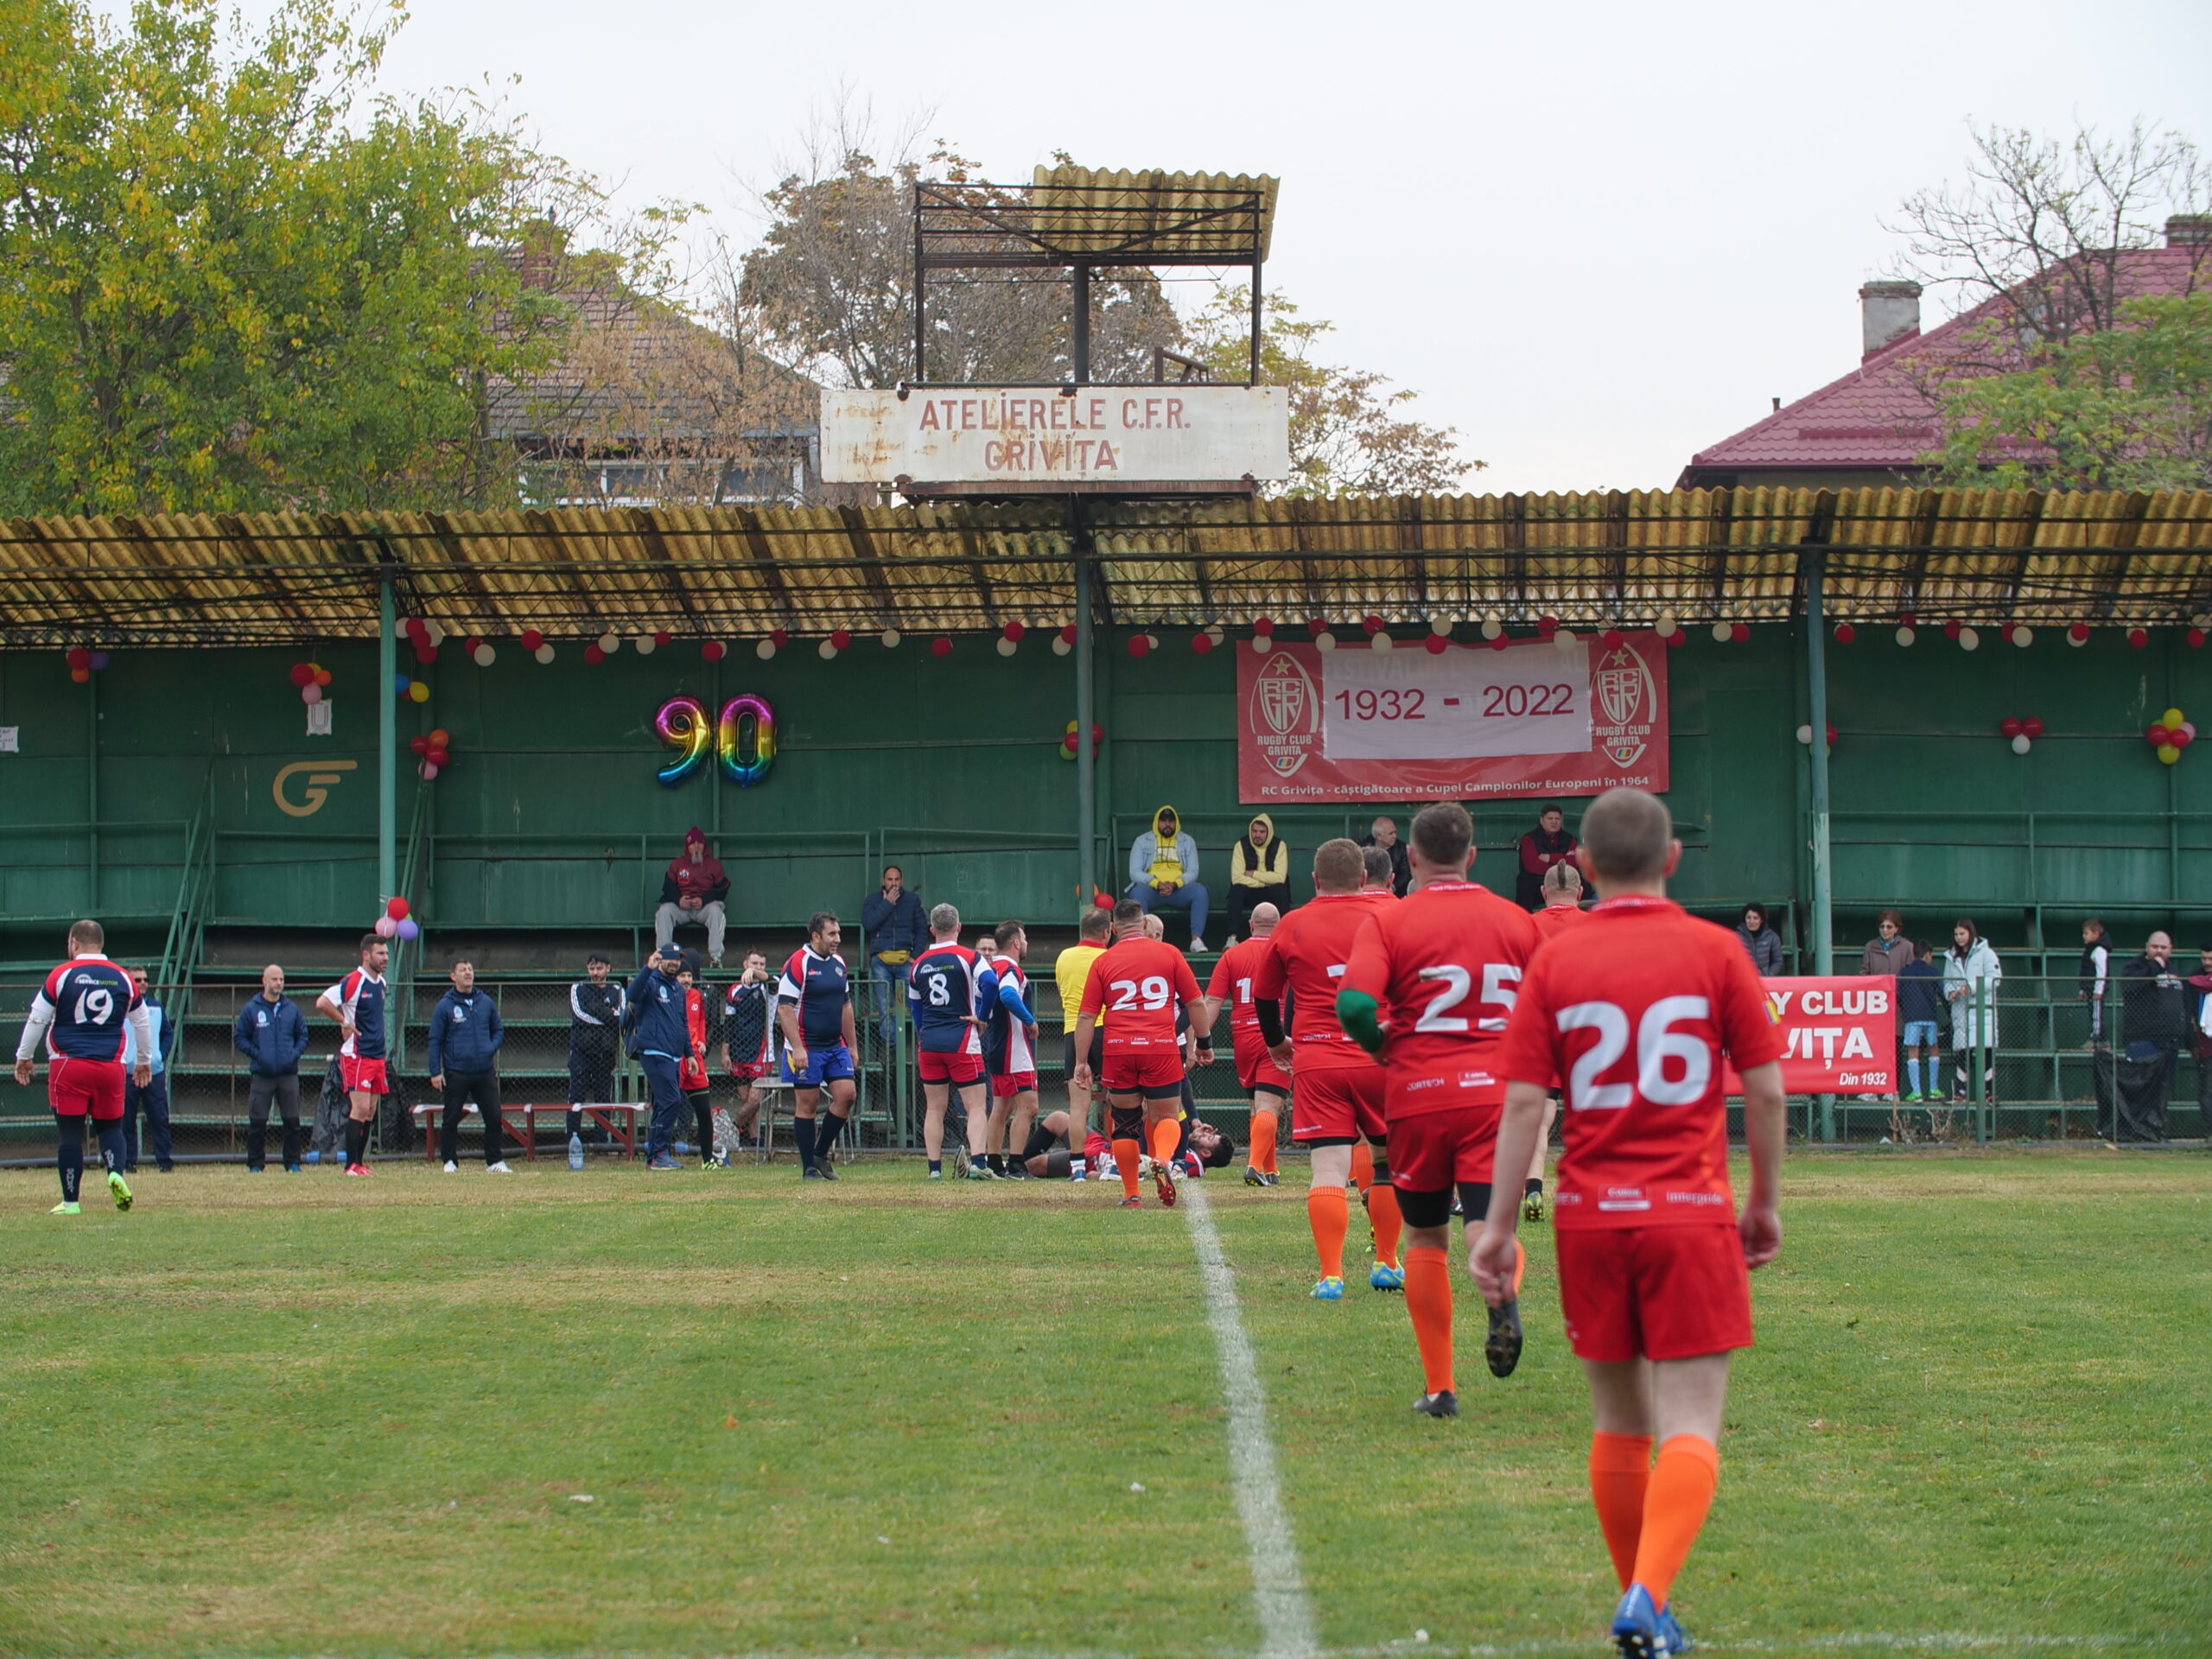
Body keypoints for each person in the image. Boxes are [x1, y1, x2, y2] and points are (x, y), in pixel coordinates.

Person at [1474, 786, 1787, 1659]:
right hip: (1688, 1211)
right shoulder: (1716, 950)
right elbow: (1763, 1089)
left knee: (1618, 1422)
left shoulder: (1555, 963)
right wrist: (1761, 1202)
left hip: (1586, 1215)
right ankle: (1647, 1599)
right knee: (1690, 1420)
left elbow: (1524, 1106)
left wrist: (1498, 1228)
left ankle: (1638, 1605)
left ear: (1578, 863)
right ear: (1673, 861)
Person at [1340, 802, 1541, 1415]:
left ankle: (1440, 1387)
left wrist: (1385, 1048)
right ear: (1472, 856)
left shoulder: (1391, 921)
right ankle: (1501, 1298)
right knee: (1488, 1222)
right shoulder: (1517, 921)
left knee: (1426, 1234)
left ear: (1413, 859)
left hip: (1420, 1094)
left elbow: (1352, 1006)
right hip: (1495, 1096)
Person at [1254, 839, 1402, 1298]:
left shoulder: (1294, 923)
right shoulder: (1392, 917)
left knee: (1329, 1169)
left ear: (1315, 881)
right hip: (1379, 1055)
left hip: (1317, 1059)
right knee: (1386, 1163)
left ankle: (1331, 1275)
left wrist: (1278, 1042)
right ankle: (1386, 1262)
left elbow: (1264, 995)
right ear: (1364, 879)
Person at [1071, 898, 1215, 1209]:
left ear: (1112, 929)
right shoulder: (1170, 954)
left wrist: (1082, 1062)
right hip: (1160, 1046)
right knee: (1166, 1116)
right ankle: (1161, 1159)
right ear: (1146, 924)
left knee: (1124, 1122)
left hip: (1119, 1048)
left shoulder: (1103, 961)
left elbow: (1085, 1017)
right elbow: (1196, 1003)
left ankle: (1131, 1194)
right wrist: (1203, 1043)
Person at [12, 919, 150, 1215]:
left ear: (74, 943)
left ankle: (71, 1202)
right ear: (101, 944)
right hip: (111, 1066)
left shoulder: (62, 974)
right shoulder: (123, 977)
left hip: (69, 1064)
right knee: (111, 1128)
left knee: (70, 1134)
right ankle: (116, 1174)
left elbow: (37, 1018)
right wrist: (143, 1062)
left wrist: (24, 1056)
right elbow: (141, 1021)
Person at [1523, 860, 1592, 1220]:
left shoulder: (1526, 926)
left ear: (1543, 893)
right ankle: (1592, 1193)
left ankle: (1533, 1189)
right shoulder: (1598, 927)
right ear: (1581, 893)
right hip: (1591, 1036)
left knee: (1540, 1120)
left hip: (1543, 1035)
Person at [1205, 901, 1287, 1187]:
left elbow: (1213, 1001)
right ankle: (1254, 1166)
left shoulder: (1232, 955)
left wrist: (1201, 1039)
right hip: (1276, 1036)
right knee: (1270, 1106)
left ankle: (1271, 1168)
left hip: (1243, 1038)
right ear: (1279, 925)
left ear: (1251, 925)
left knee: (1256, 1106)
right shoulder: (1286, 951)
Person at [908, 905, 992, 1180]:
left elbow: (915, 1008)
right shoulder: (970, 957)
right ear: (959, 927)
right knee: (976, 1105)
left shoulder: (918, 964)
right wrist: (982, 1017)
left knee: (934, 1107)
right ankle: (979, 1162)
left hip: (930, 1042)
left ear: (931, 930)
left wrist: (925, 1032)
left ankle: (934, 1169)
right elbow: (990, 983)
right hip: (961, 1038)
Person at [777, 911, 859, 1180]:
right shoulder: (798, 962)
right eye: (831, 934)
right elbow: (785, 1009)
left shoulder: (838, 963)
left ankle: (820, 1154)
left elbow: (846, 1006)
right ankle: (808, 1168)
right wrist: (798, 1047)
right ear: (815, 936)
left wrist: (852, 1046)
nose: (837, 939)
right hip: (807, 1047)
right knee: (808, 1105)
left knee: (847, 1095)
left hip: (834, 1045)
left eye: (838, 933)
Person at [316, 934, 391, 1178]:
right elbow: (323, 1002)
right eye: (380, 954)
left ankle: (360, 1162)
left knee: (370, 1111)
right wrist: (344, 1021)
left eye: (387, 954)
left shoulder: (381, 983)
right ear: (366, 955)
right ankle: (349, 1165)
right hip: (358, 1055)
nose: (385, 958)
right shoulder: (354, 981)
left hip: (377, 1056)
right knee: (358, 1109)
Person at [427, 956, 511, 1174]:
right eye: (463, 969)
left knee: (493, 1116)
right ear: (453, 976)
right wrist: (435, 1071)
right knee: (451, 1117)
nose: (468, 973)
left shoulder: (486, 1002)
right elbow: (435, 1039)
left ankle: (494, 1161)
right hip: (457, 1071)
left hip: (484, 1070)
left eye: (470, 969)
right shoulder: (445, 1006)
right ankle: (449, 1161)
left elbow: (498, 1030)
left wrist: (489, 1048)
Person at [977, 921, 1042, 1179]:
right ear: (1016, 943)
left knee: (1001, 1107)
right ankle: (1016, 1165)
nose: (1026, 943)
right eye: (1024, 938)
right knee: (1029, 1106)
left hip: (995, 1045)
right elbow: (1007, 995)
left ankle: (994, 1162)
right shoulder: (1009, 968)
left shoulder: (992, 967)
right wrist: (1029, 1019)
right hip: (1012, 1047)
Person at [232, 963, 308, 1173]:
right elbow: (239, 1037)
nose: (279, 983)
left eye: (282, 979)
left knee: (292, 1120)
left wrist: (292, 1054)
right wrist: (258, 1055)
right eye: (274, 979)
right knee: (257, 1121)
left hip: (288, 1074)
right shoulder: (251, 1009)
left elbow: (303, 1035)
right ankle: (255, 1164)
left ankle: (292, 1162)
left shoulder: (292, 1009)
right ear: (264, 981)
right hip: (262, 1074)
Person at [2113, 932, 2188, 1142]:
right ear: (2147, 947)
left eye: (2163, 948)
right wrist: (2155, 967)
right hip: (2142, 1038)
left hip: (2170, 1040)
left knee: (2164, 1088)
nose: (2159, 951)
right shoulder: (2135, 967)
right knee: (2141, 1087)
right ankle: (2135, 1131)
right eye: (2154, 946)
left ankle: (2156, 1131)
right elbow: (2129, 986)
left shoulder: (2173, 970)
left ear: (2170, 949)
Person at [622, 948, 690, 1170]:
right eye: (669, 958)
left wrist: (689, 1053)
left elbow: (683, 1023)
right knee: (672, 1100)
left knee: (663, 1103)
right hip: (653, 1051)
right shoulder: (651, 981)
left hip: (673, 1054)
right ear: (660, 959)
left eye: (677, 959)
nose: (674, 963)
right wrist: (647, 968)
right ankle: (660, 1151)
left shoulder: (678, 989)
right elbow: (632, 995)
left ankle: (654, 1154)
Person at [1054, 906, 1113, 1153]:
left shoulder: (1064, 957)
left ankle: (1078, 1163)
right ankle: (1115, 1159)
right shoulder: (1110, 957)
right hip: (1106, 1029)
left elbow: (1062, 991)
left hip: (1074, 1032)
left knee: (1078, 1107)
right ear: (1107, 932)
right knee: (1118, 1102)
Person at [564, 952, 625, 1168]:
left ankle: (602, 1145)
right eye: (592, 969)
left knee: (603, 1099)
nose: (596, 973)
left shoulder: (618, 989)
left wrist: (604, 1014)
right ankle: (572, 1141)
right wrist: (607, 1015)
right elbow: (580, 1014)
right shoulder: (578, 989)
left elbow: (622, 1017)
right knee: (576, 1098)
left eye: (600, 968)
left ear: (609, 968)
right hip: (581, 1052)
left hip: (606, 1053)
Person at [1126, 804, 1210, 953]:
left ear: (1176, 822)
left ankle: (1196, 940)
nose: (1167, 824)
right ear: (1157, 822)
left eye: (1171, 821)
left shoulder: (1187, 841)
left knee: (1200, 891)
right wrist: (1156, 883)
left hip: (1178, 890)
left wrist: (1175, 884)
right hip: (1152, 890)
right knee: (1137, 892)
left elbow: (1193, 871)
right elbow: (1135, 872)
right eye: (1163, 821)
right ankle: (1145, 941)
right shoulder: (1142, 841)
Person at [861, 865, 928, 1051]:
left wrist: (915, 956)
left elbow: (922, 929)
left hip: (906, 961)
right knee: (884, 1007)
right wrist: (887, 904)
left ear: (902, 881)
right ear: (883, 881)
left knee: (915, 1005)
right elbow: (869, 924)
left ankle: (921, 1046)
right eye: (890, 879)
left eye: (897, 879)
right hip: (881, 961)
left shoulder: (912, 900)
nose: (893, 883)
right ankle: (891, 1049)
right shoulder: (873, 900)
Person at [119, 965, 175, 1173]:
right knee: (126, 1120)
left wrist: (160, 1054)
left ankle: (164, 1160)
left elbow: (167, 1033)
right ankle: (128, 1161)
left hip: (153, 1072)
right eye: (137, 979)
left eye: (145, 979)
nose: (143, 983)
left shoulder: (156, 1008)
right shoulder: (119, 1008)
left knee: (159, 1118)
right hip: (127, 1073)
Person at [719, 951, 776, 1147]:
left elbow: (773, 979)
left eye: (762, 963)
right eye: (754, 963)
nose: (758, 967)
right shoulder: (734, 991)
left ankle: (730, 1128)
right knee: (746, 1100)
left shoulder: (768, 988)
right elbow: (729, 1023)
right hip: (738, 1053)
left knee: (754, 1101)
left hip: (762, 1054)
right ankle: (755, 1141)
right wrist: (725, 1053)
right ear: (744, 963)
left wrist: (756, 973)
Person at [671, 954, 722, 1168]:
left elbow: (702, 1020)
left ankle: (707, 1159)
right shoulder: (668, 997)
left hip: (695, 1059)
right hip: (674, 1058)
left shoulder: (696, 997)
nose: (686, 979)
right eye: (682, 975)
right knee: (667, 1108)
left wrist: (701, 1041)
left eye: (689, 975)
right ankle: (658, 1155)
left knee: (703, 1110)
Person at [1942, 918, 2002, 1103]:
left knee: (1985, 1050)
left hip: (1981, 1010)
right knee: (1962, 1051)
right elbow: (1947, 981)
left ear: (1971, 933)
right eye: (1956, 934)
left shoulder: (1986, 953)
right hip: (1961, 1011)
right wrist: (1951, 992)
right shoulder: (1951, 956)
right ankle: (1959, 1092)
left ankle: (1989, 1093)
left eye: (1962, 934)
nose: (1959, 938)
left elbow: (1995, 978)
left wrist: (1971, 988)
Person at [654, 827, 729, 967]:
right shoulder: (677, 864)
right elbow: (667, 888)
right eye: (692, 844)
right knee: (664, 912)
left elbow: (722, 890)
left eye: (699, 843)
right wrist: (678, 899)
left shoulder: (714, 865)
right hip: (681, 908)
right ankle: (662, 957)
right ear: (687, 846)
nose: (696, 847)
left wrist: (704, 900)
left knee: (716, 911)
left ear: (704, 845)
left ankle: (716, 958)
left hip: (703, 908)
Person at [1224, 814, 1291, 944]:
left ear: (1268, 832)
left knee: (1281, 889)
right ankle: (1232, 938)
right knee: (1236, 890)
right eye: (1254, 831)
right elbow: (1237, 878)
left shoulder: (1279, 845)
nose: (1257, 835)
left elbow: (1280, 878)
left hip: (1272, 892)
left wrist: (1254, 874)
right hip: (1250, 892)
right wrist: (1265, 882)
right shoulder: (1241, 845)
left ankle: (1285, 938)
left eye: (1262, 832)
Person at [1897, 941, 1944, 1103]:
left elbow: (1898, 995)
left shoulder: (1904, 973)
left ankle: (1916, 1091)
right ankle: (1933, 1088)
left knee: (1913, 1051)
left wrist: (1905, 1009)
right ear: (1927, 955)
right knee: (1933, 1048)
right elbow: (1943, 993)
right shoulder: (1933, 972)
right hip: (1930, 1017)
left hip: (1912, 1018)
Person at [1514, 804, 1578, 911]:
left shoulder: (1570, 839)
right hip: (1537, 883)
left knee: (1583, 884)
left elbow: (1575, 862)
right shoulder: (1529, 839)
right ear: (1542, 820)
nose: (1554, 822)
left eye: (1557, 819)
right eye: (1550, 818)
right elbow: (1533, 866)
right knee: (1525, 885)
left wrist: (1550, 858)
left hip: (1563, 880)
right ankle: (1525, 921)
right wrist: (1563, 860)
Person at [2077, 918, 2113, 1043]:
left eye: (2086, 933)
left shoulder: (2099, 950)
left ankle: (2096, 1038)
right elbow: (2085, 971)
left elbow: (2101, 972)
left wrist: (2099, 990)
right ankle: (2101, 1040)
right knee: (2093, 1013)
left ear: (2096, 934)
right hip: (2089, 988)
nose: (2084, 936)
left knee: (2097, 1014)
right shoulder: (2089, 950)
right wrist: (2082, 990)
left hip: (2096, 990)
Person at [1359, 817, 1412, 898]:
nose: (1395, 836)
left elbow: (1405, 874)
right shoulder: (1363, 847)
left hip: (1396, 894)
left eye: (1395, 832)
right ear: (1379, 836)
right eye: (1391, 833)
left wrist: (1392, 887)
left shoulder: (1402, 848)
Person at [1734, 902, 1783, 975]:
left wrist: (1769, 975)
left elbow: (1777, 961)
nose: (1751, 921)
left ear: (1761, 920)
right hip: (1743, 980)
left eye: (1755, 918)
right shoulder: (1736, 937)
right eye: (1748, 918)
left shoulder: (1772, 937)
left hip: (1763, 980)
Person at [1861, 910, 1912, 976]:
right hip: (1877, 986)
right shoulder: (1870, 946)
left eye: (1889, 927)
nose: (1885, 930)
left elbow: (1910, 974)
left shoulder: (1907, 946)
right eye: (1882, 926)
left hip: (1899, 986)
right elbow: (1864, 973)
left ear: (1896, 929)